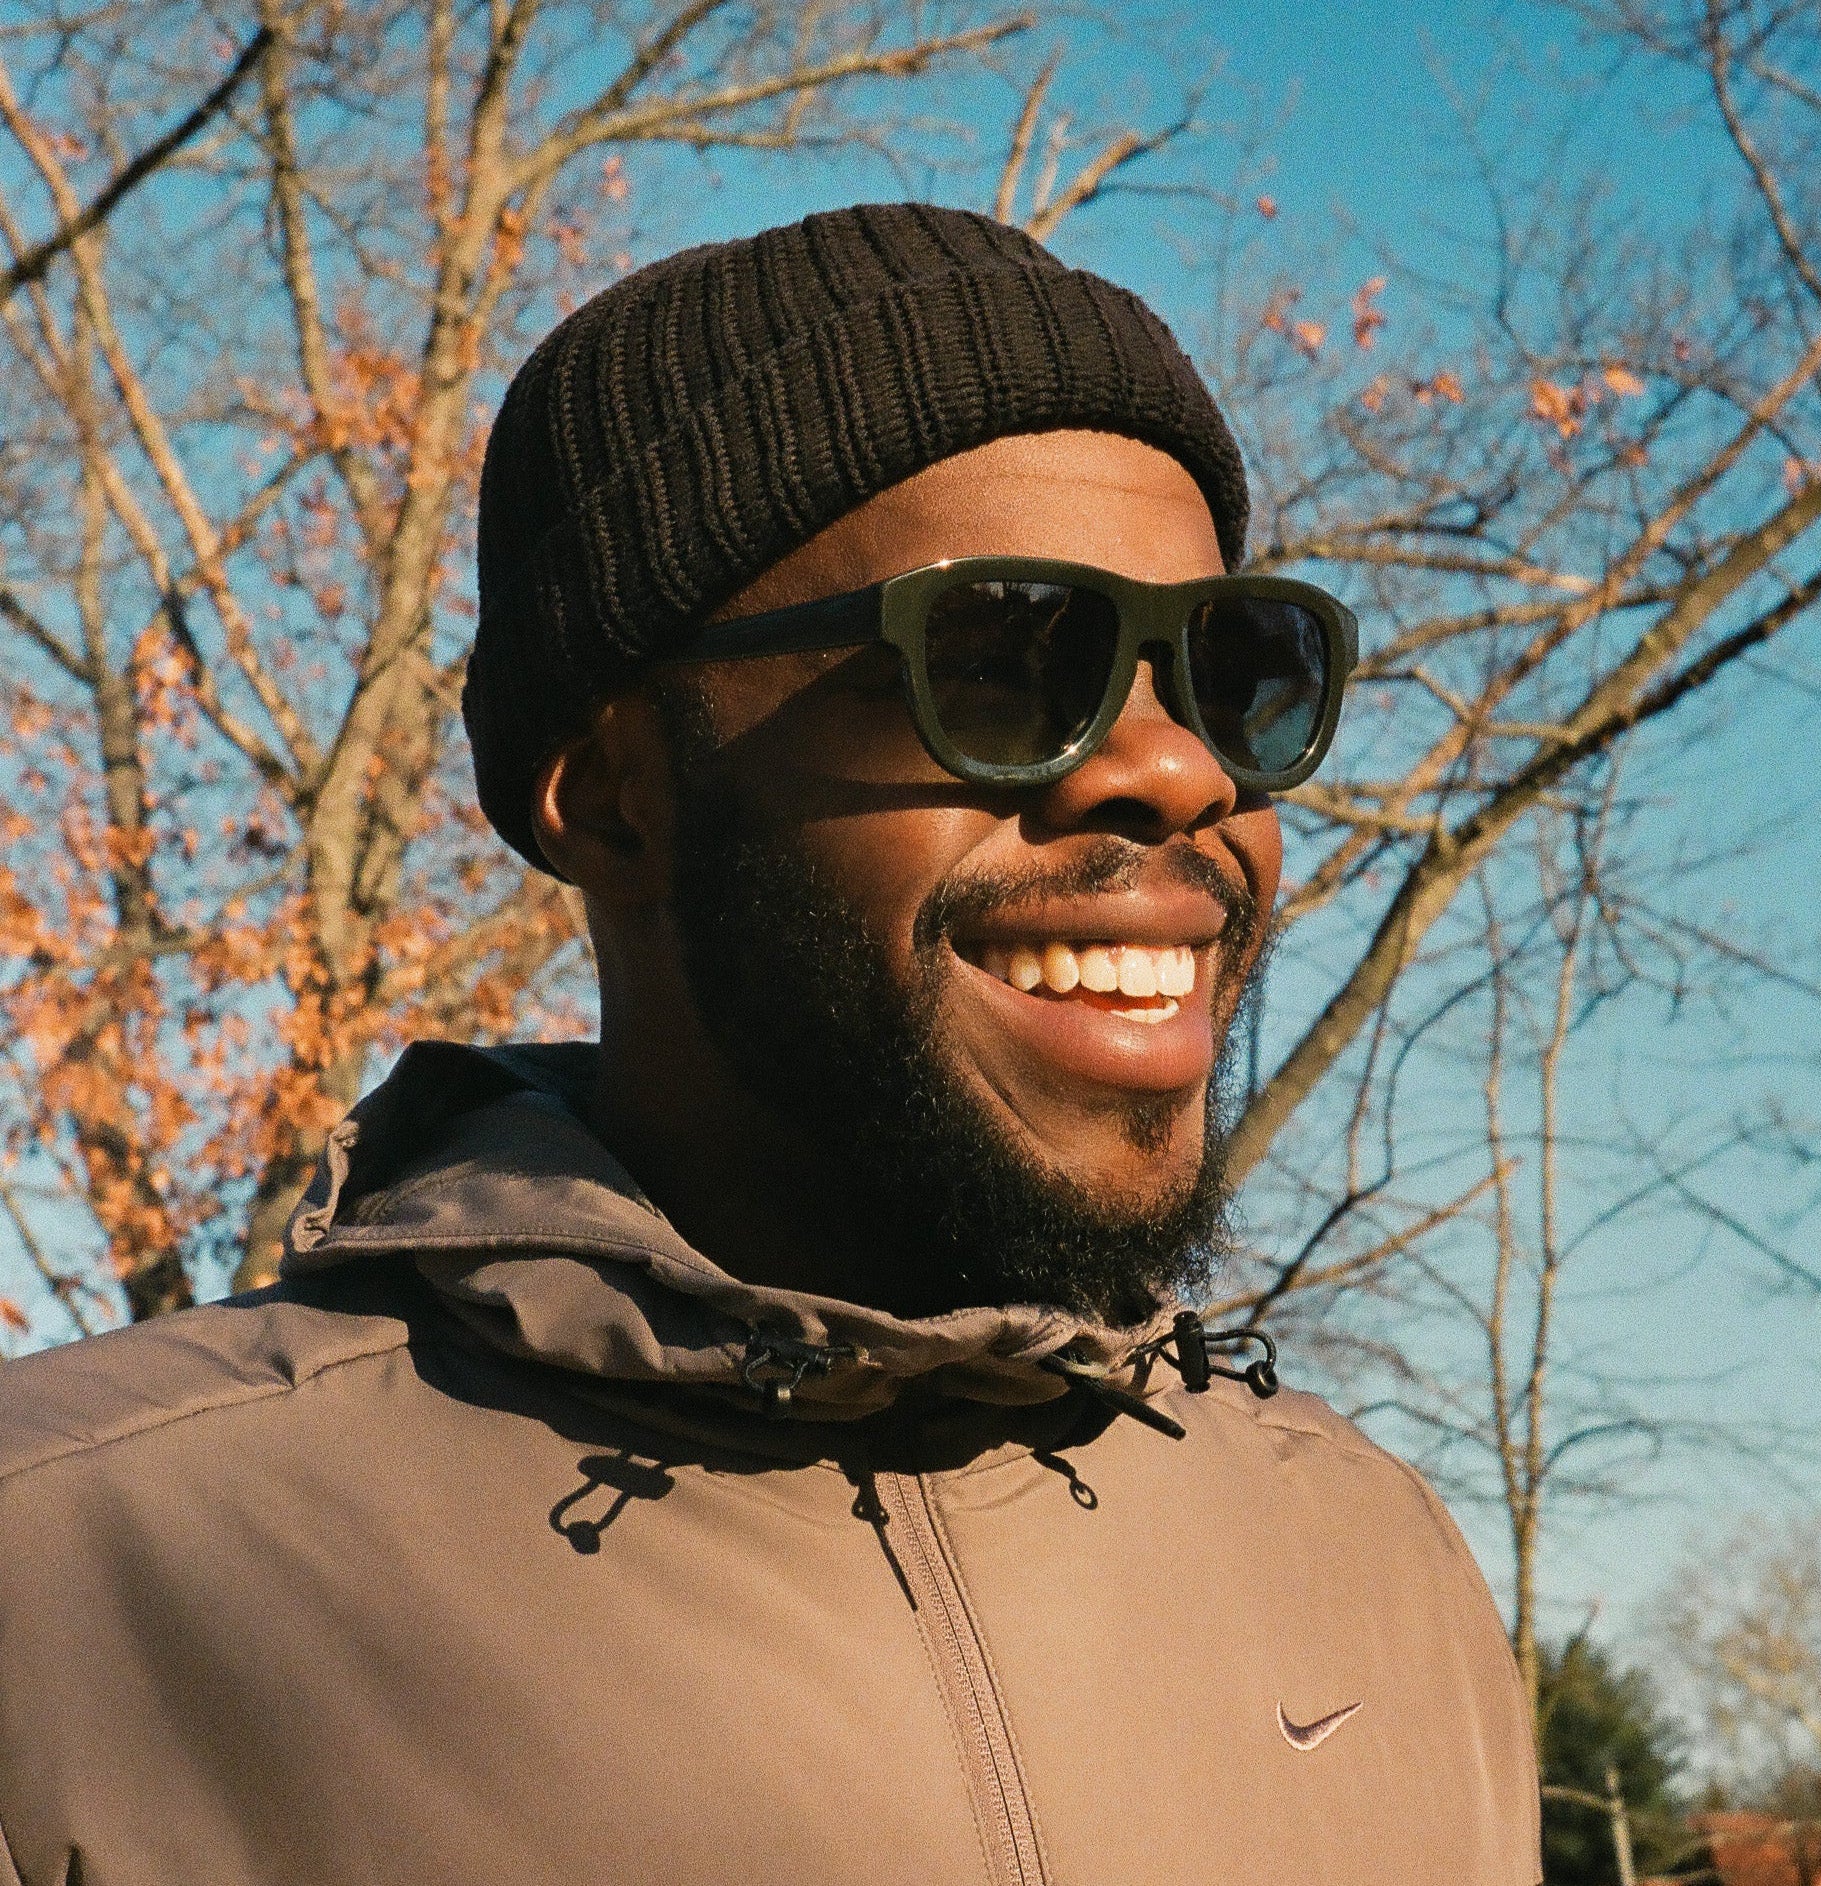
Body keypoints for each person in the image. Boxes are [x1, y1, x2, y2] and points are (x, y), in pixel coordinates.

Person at [0, 203, 1540, 1885]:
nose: (1179, 775)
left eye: (1230, 668)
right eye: (1010, 658)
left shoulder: (1373, 1569)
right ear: (616, 793)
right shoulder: (70, 1580)